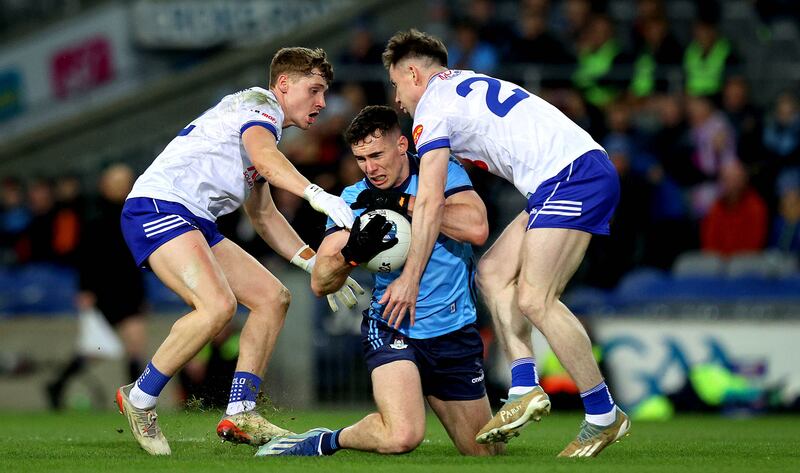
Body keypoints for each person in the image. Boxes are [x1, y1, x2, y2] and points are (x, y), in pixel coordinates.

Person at [379, 29, 629, 458]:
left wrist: (411, 278)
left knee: (536, 298)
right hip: (564, 177)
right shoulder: (464, 85)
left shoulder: (432, 110)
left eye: (396, 84)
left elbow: (430, 201)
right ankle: (525, 386)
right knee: (492, 273)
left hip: (572, 177)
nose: (397, 99)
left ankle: (603, 415)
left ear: (414, 74)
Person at [116, 47, 363, 456]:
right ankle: (140, 398)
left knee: (272, 298)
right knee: (216, 307)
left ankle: (241, 412)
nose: (322, 102)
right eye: (314, 90)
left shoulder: (258, 128)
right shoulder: (261, 105)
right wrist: (316, 193)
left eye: (324, 93)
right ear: (283, 84)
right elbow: (267, 161)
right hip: (159, 208)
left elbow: (264, 215)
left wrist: (315, 262)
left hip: (192, 219)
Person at [257, 105, 499, 457]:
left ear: (402, 145)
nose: (370, 167)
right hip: (393, 325)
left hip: (453, 330)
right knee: (402, 435)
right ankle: (325, 440)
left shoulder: (439, 170)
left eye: (376, 154)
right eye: (360, 159)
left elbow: (476, 228)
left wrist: (402, 203)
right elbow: (321, 281)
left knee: (486, 454)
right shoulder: (355, 199)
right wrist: (352, 254)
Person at [45, 164, 148, 410]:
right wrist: (84, 289)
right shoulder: (94, 216)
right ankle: (58, 383)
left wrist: (142, 292)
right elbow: (85, 257)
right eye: (117, 181)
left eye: (125, 180)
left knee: (135, 344)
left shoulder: (134, 212)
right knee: (97, 349)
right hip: (103, 290)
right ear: (105, 184)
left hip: (129, 288)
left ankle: (136, 401)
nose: (122, 185)